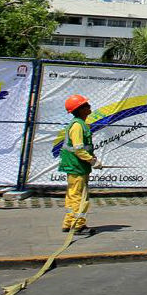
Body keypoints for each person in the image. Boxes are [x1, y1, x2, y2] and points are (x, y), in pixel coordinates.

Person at [59, 95, 98, 233]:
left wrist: (91, 156)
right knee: (79, 197)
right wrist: (92, 161)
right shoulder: (77, 126)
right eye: (86, 105)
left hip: (76, 165)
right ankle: (78, 225)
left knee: (72, 194)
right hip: (77, 166)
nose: (89, 106)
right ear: (80, 109)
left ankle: (69, 222)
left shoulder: (80, 124)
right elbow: (78, 149)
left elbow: (83, 148)